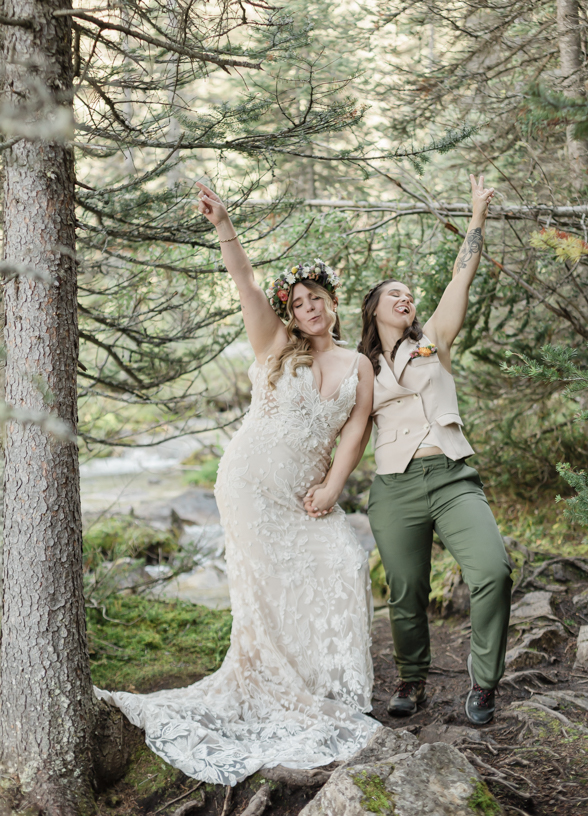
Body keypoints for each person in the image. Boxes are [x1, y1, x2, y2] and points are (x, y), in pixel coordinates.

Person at [96, 182, 378, 785]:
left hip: (307, 494)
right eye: (298, 300)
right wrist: (224, 224)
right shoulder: (275, 347)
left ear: (331, 301)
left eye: (317, 297)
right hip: (248, 485)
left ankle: (316, 683)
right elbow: (246, 284)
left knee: (343, 561)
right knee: (267, 589)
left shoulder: (359, 365)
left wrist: (332, 488)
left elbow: (355, 431)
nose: (309, 307)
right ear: (290, 311)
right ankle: (272, 682)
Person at [353, 175, 512, 725]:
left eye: (408, 293)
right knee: (405, 590)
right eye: (392, 292)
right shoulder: (362, 368)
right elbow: (347, 428)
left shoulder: (434, 341)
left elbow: (460, 273)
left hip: (450, 476)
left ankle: (484, 682)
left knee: (493, 569)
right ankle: (411, 680)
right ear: (374, 309)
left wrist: (475, 216)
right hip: (394, 487)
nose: (405, 296)